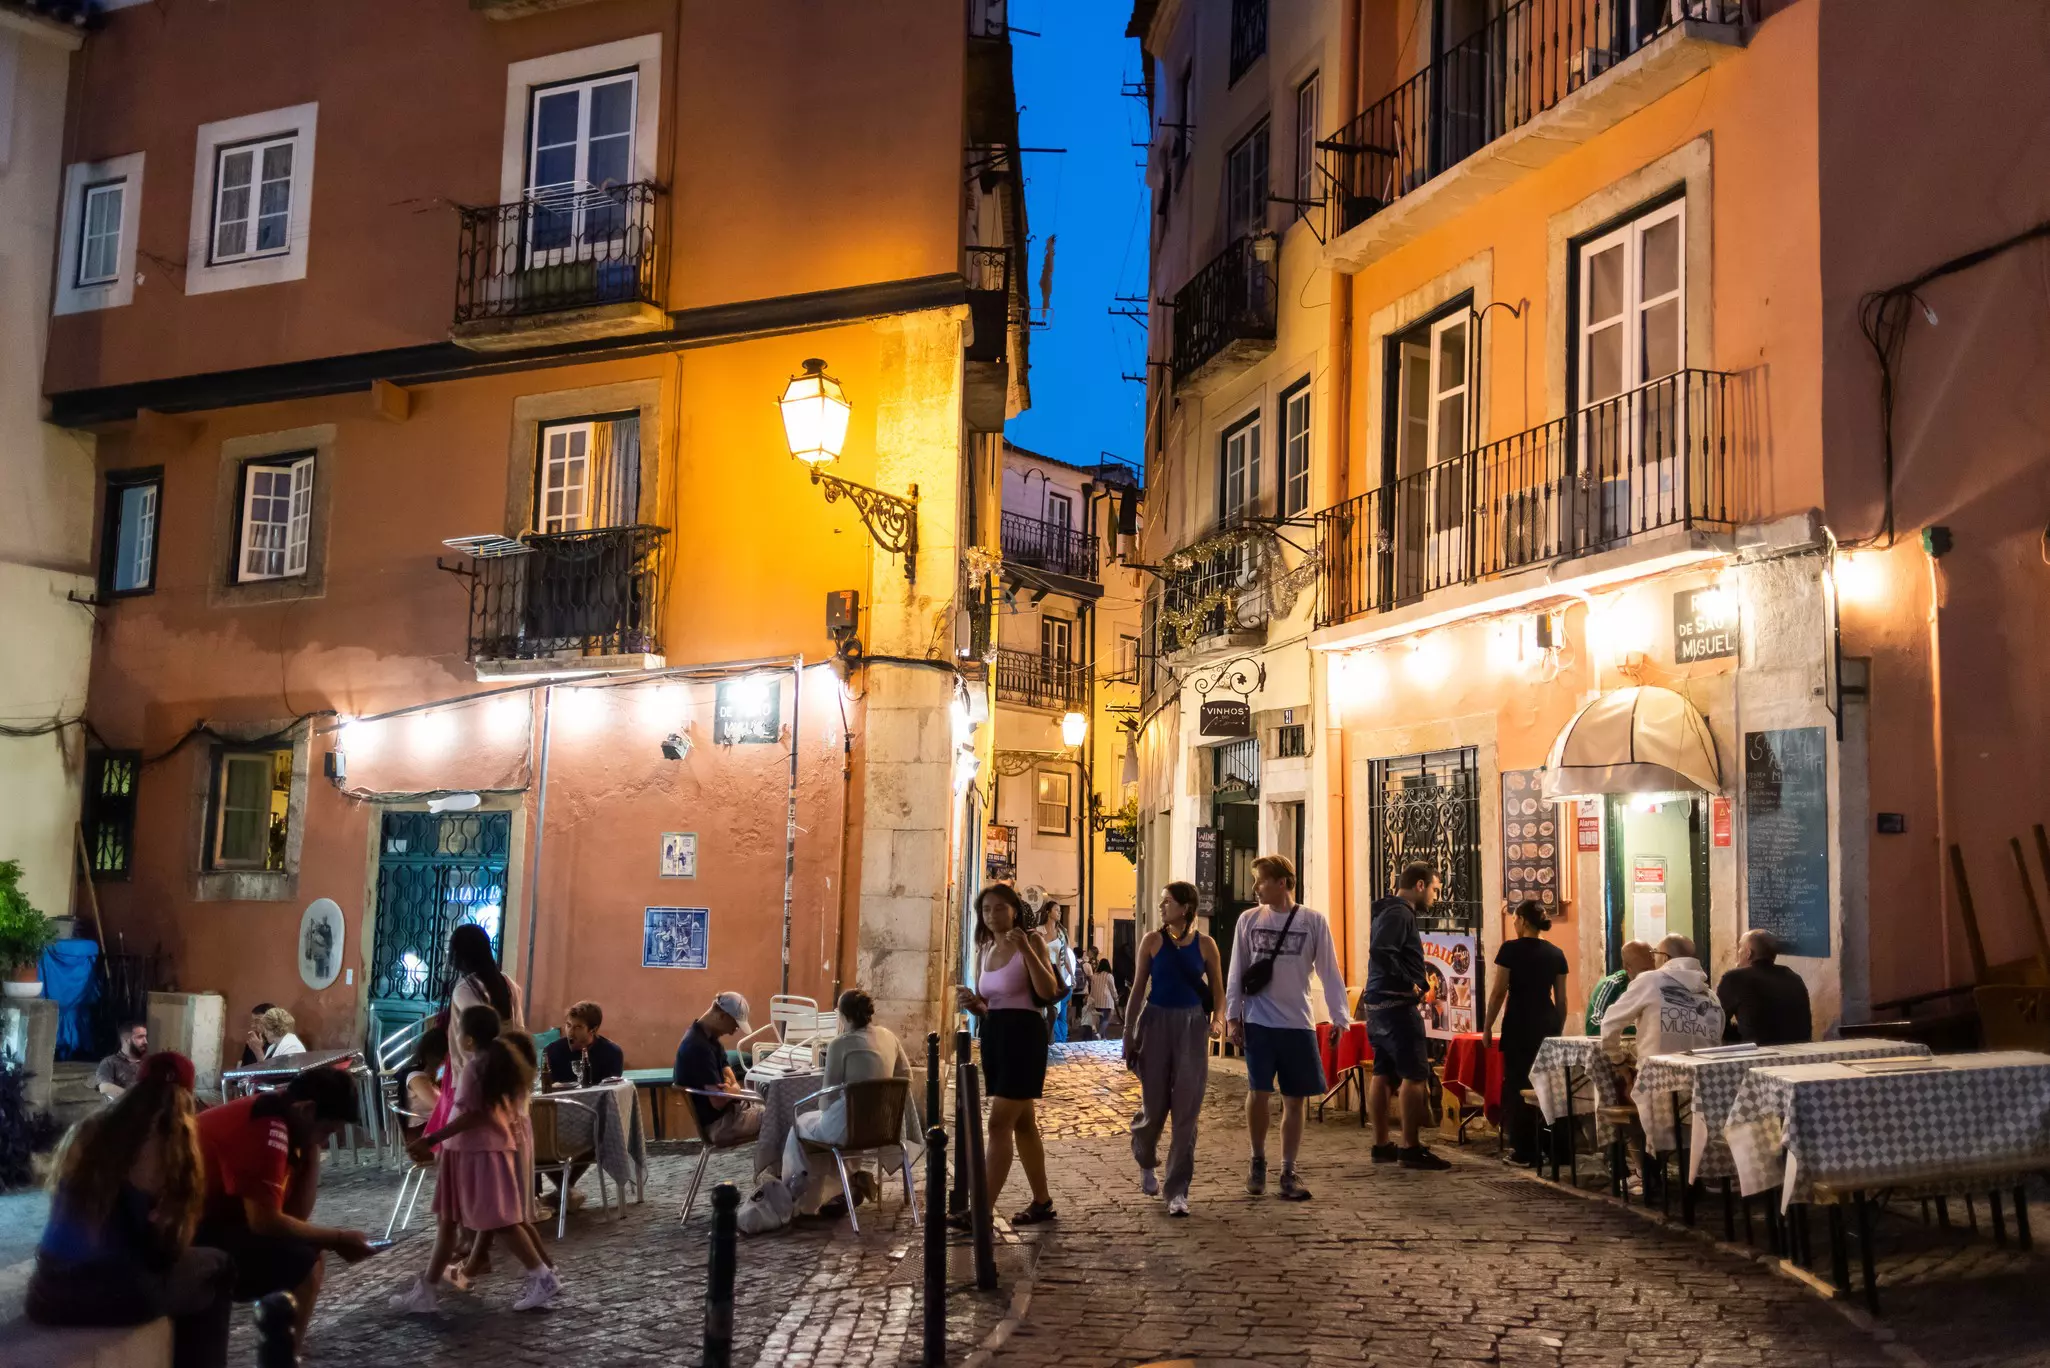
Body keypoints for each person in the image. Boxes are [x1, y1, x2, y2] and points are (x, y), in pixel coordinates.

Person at [28, 1052, 234, 1368]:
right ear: (188, 1094)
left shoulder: (89, 1129)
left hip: (47, 1289)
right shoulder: (173, 1142)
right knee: (218, 1266)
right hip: (110, 1293)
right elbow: (167, 1248)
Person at [191, 1065, 376, 1350]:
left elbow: (295, 1215)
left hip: (213, 1222)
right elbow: (265, 1222)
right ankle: (282, 1358)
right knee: (304, 1262)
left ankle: (285, 1356)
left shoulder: (287, 1116)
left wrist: (312, 1150)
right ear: (307, 1109)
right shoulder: (268, 1127)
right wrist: (338, 1238)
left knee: (307, 1254)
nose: (324, 1140)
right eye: (326, 1130)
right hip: (187, 1231)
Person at [391, 1007, 560, 1314]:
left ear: (468, 1038)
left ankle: (543, 1277)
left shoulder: (476, 1066)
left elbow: (472, 1115)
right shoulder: (498, 1062)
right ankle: (427, 1291)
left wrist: (431, 1139)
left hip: (474, 1152)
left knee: (500, 1221)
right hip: (472, 1151)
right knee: (455, 1221)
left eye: (458, 1030)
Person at [1224, 854, 1355, 1199]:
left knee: (1296, 1100)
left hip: (1298, 1021)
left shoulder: (1312, 921)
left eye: (1261, 881)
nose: (1255, 888)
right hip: (1259, 1020)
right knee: (1258, 1092)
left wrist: (1341, 1017)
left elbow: (1329, 969)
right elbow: (1237, 969)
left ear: (1282, 883)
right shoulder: (1247, 920)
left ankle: (1288, 1169)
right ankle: (1256, 1158)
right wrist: (1233, 1015)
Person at [957, 884, 1061, 1225]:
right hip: (995, 1036)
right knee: (1024, 1125)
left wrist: (1027, 951)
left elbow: (1047, 991)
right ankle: (1042, 1202)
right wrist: (975, 1004)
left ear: (1015, 910)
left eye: (1000, 908)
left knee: (999, 1122)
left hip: (1024, 1038)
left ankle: (981, 1212)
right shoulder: (985, 949)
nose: (992, 915)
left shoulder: (1032, 942)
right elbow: (990, 1005)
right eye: (986, 910)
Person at [1123, 881, 1221, 1216]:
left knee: (1186, 1112)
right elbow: (1137, 991)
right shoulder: (1151, 942)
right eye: (1162, 901)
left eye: (1167, 902)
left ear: (1185, 908)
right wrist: (1128, 1033)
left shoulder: (1206, 946)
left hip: (1192, 1026)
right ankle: (1145, 1157)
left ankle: (1177, 1190)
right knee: (1154, 1107)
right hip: (1155, 1024)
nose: (1162, 907)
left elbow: (1219, 994)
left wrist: (1218, 1020)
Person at [781, 989, 910, 1215]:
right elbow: (906, 1075)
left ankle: (802, 1200)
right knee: (831, 1131)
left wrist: (826, 1114)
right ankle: (843, 1187)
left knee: (800, 1127)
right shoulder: (890, 1037)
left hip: (849, 1129)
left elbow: (827, 1096)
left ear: (844, 1016)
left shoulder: (840, 1044)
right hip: (886, 1126)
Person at [1362, 862, 1454, 1172]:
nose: (1435, 896)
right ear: (1419, 885)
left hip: (1378, 1004)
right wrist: (1411, 982)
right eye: (1434, 889)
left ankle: (1381, 1145)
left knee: (1383, 1073)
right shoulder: (1400, 913)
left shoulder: (1387, 911)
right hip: (1396, 1005)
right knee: (1415, 1077)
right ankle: (1410, 1147)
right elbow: (1381, 951)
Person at [1482, 900, 1570, 1165]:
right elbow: (1562, 1000)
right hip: (1547, 1022)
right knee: (1549, 1086)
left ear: (1521, 920)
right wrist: (1558, 1029)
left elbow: (1498, 992)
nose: (1514, 924)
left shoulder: (1510, 950)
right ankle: (1557, 1149)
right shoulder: (1557, 953)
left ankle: (1525, 1151)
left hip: (1519, 1022)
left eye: (1514, 919)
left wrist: (1487, 1026)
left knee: (1519, 1086)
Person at [1599, 933, 1725, 1070]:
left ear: (1665, 958)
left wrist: (1617, 1060)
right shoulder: (1712, 998)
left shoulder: (1649, 981)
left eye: (1654, 953)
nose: (1653, 959)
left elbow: (1610, 1024)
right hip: (1702, 1084)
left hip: (1655, 1081)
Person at [672, 991, 763, 1146]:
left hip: (733, 1112)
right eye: (734, 1024)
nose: (733, 1031)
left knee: (777, 1110)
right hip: (720, 1125)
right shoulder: (698, 1047)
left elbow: (729, 1074)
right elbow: (718, 1102)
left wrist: (731, 1089)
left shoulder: (709, 1039)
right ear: (721, 1016)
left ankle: (779, 1167)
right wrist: (735, 1091)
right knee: (782, 1117)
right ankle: (781, 1169)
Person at [1717, 930, 1813, 1046]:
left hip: (1757, 1054)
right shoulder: (1793, 977)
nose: (1738, 952)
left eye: (1740, 948)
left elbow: (1716, 1023)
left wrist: (1745, 1039)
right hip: (1799, 1053)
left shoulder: (1734, 978)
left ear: (1748, 953)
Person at [543, 1000, 625, 1088]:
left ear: (593, 1029)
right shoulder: (552, 1051)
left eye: (578, 1027)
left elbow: (611, 1091)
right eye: (568, 1025)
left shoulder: (612, 1053)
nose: (570, 1032)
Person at [1583, 941, 1656, 1036]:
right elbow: (1593, 1027)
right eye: (1645, 970)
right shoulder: (1612, 985)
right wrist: (1640, 1028)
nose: (1651, 974)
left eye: (1654, 969)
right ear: (1627, 968)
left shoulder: (1658, 983)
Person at [400, 1026, 449, 1129]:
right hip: (422, 1130)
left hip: (435, 1125)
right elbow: (443, 1107)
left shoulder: (433, 1072)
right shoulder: (417, 1078)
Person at [95, 1020, 148, 1099]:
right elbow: (104, 1087)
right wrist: (136, 1100)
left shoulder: (150, 1062)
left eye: (145, 1037)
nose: (145, 1041)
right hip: (123, 1109)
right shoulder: (110, 1063)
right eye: (140, 1037)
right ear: (126, 1040)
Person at [1085, 957, 1118, 1037]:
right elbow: (1113, 989)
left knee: (1101, 1019)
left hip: (1096, 1000)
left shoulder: (1094, 976)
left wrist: (1090, 999)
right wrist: (1116, 998)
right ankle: (1099, 1034)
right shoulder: (1109, 976)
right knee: (1106, 1019)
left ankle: (1103, 1037)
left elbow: (1092, 989)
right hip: (1106, 1001)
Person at [238, 1003, 276, 1068]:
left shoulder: (279, 1043)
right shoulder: (253, 1043)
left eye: (257, 1021)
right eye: (252, 1021)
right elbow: (244, 1069)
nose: (253, 1026)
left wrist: (258, 1051)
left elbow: (273, 1073)